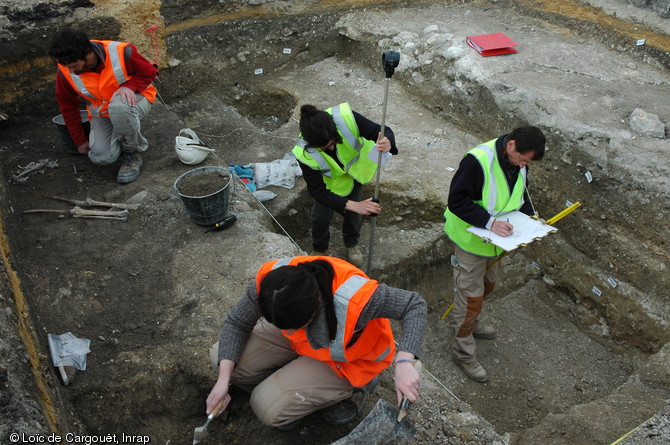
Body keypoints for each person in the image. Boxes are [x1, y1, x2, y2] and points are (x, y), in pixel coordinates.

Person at [206, 255, 426, 430]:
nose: (287, 331)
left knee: (265, 407)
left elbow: (413, 304)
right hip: (302, 345)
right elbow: (237, 323)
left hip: (349, 361)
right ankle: (284, 382)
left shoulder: (356, 300)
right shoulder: (274, 283)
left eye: (294, 326)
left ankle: (356, 388)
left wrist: (405, 362)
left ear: (315, 309)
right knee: (222, 359)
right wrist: (223, 380)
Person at [443, 126, 546, 383]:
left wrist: (532, 219)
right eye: (522, 159)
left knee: (487, 286)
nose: (523, 165)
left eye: (527, 162)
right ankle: (463, 353)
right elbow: (456, 201)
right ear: (511, 145)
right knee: (469, 298)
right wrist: (490, 223)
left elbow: (520, 194)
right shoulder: (477, 162)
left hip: (495, 240)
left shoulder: (519, 163)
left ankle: (472, 325)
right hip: (471, 240)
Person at [293, 103, 398, 268]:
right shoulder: (303, 152)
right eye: (326, 148)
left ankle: (351, 243)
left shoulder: (346, 119)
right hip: (328, 181)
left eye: (334, 142)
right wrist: (354, 205)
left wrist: (388, 142)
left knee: (353, 214)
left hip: (353, 172)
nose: (333, 147)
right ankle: (320, 248)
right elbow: (317, 191)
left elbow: (384, 131)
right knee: (320, 216)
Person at [48, 28, 158, 184]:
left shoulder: (121, 52)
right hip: (103, 111)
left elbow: (150, 72)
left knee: (119, 107)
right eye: (68, 67)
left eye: (74, 65)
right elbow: (67, 105)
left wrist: (129, 86)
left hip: (135, 101)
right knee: (101, 157)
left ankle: (132, 153)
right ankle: (122, 134)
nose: (71, 71)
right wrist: (79, 140)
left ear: (87, 53)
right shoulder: (65, 69)